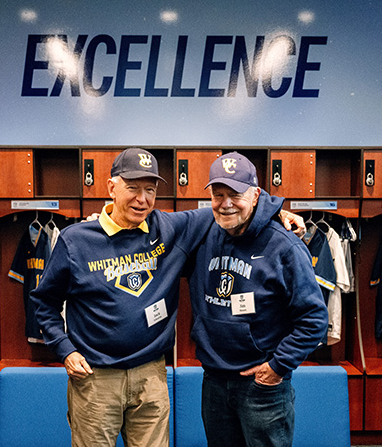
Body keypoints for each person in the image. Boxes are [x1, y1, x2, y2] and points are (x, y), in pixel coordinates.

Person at [31, 148, 304, 447]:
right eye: (132, 188)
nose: (142, 199)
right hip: (96, 377)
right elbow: (44, 303)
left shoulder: (169, 228)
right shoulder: (76, 240)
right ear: (111, 187)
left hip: (151, 375)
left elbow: (234, 208)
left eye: (150, 190)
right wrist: (65, 349)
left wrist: (277, 212)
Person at [187, 152, 328, 447]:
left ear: (255, 195)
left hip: (261, 386)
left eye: (235, 194)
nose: (225, 203)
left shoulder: (285, 246)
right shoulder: (202, 234)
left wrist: (278, 367)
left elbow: (314, 320)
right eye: (218, 194)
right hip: (214, 381)